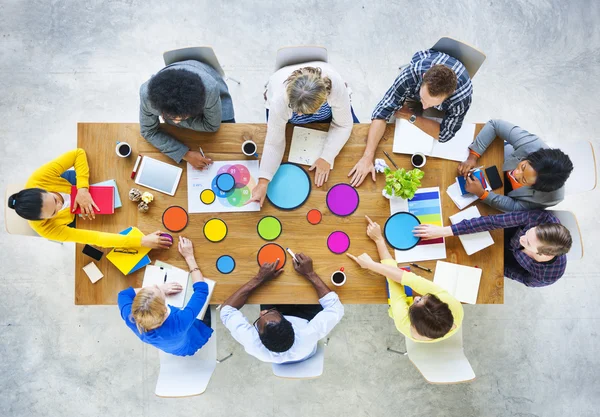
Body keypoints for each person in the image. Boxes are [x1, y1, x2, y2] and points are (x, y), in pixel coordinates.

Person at [349, 49, 473, 187]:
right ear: (424, 76)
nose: (425, 107)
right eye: (423, 99)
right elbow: (382, 112)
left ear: (450, 94)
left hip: (447, 102)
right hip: (417, 80)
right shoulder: (412, 73)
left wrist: (410, 116)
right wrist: (367, 157)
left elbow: (444, 135)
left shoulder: (461, 98)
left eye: (432, 104)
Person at [7, 149, 171, 249]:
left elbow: (78, 153)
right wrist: (141, 241)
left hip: (73, 184)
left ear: (41, 189)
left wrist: (82, 189)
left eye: (54, 199)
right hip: (76, 215)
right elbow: (95, 238)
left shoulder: (39, 177)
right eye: (54, 213)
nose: (61, 204)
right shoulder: (45, 229)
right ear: (44, 220)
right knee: (116, 220)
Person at [247, 64, 358, 206]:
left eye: (304, 112)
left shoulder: (335, 87)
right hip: (282, 108)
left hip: (328, 115)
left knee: (355, 139)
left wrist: (327, 157)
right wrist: (263, 181)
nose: (298, 115)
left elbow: (343, 125)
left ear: (323, 100)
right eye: (295, 110)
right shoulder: (280, 100)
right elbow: (274, 143)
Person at [346, 216, 463, 342]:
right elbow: (408, 278)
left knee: (394, 308)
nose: (417, 297)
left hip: (402, 316)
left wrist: (378, 243)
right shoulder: (452, 305)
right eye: (423, 297)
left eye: (417, 302)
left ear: (412, 322)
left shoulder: (403, 322)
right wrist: (373, 259)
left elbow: (393, 282)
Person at [220, 254, 344, 363]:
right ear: (289, 321)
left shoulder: (252, 342)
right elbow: (336, 308)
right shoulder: (308, 335)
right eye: (267, 312)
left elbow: (226, 311)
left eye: (260, 317)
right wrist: (310, 273)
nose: (262, 312)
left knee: (268, 289)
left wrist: (259, 278)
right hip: (306, 318)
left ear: (257, 335)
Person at [414, 210, 572, 287]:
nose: (523, 237)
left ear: (541, 254)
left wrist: (495, 266)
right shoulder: (541, 219)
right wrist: (444, 231)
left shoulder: (548, 275)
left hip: (504, 261)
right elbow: (494, 222)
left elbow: (523, 278)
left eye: (528, 243)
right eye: (529, 231)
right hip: (500, 234)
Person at [117, 236, 213, 356]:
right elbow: (202, 291)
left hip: (173, 347)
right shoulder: (180, 321)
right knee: (206, 309)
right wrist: (189, 257)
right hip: (190, 342)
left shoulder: (131, 317)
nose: (157, 286)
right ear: (164, 308)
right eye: (157, 289)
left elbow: (123, 294)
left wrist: (160, 290)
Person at [456, 119, 573, 212]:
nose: (515, 173)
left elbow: (515, 207)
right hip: (500, 158)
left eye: (523, 179)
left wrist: (482, 194)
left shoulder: (550, 198)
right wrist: (473, 157)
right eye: (523, 167)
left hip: (507, 194)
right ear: (531, 156)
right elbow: (495, 124)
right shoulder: (532, 144)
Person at [139, 60, 235, 170]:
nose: (176, 122)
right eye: (170, 117)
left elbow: (212, 126)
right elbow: (147, 131)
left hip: (214, 96)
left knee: (229, 137)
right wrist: (185, 154)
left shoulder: (209, 90)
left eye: (182, 118)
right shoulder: (147, 96)